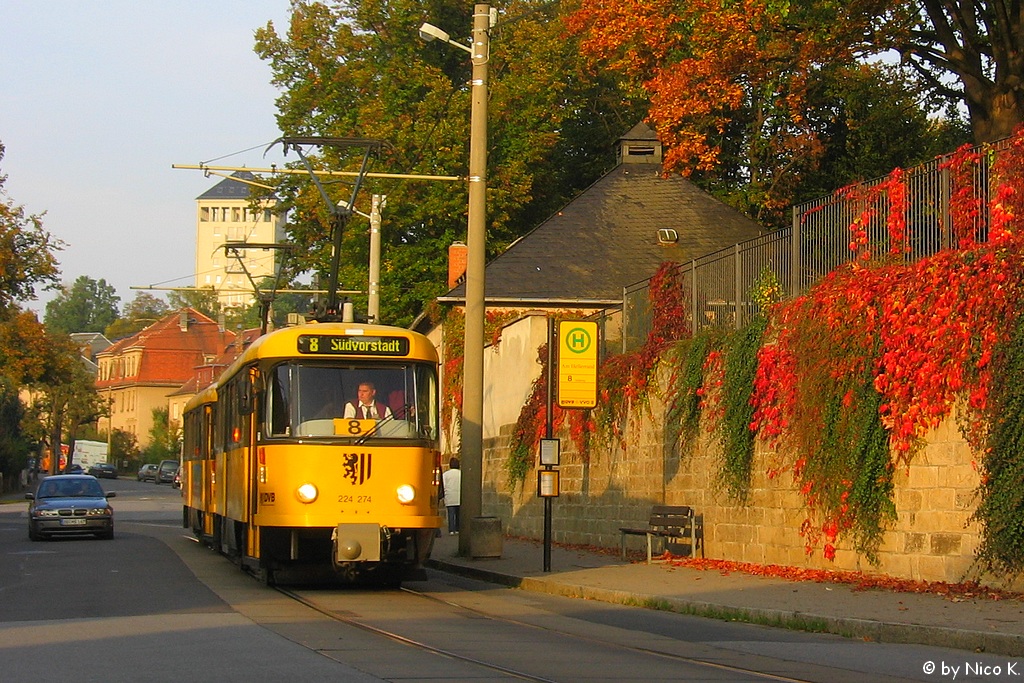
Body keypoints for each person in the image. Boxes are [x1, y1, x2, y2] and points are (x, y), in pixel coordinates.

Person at [442, 457, 461, 535]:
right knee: (458, 514)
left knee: (451, 514)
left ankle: (451, 530)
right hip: (459, 495)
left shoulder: (446, 474)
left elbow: (444, 485)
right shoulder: (461, 473)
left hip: (449, 496)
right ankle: (458, 529)